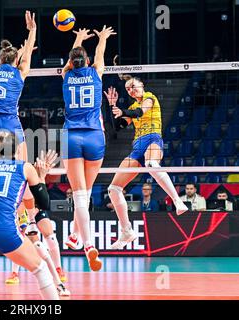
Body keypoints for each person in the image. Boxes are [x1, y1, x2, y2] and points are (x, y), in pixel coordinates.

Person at [0, 132, 60, 300]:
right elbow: (44, 203)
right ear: (18, 148)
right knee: (40, 268)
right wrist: (41, 176)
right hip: (3, 228)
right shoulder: (25, 167)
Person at [104, 76, 188, 250]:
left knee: (151, 165)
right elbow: (117, 127)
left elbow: (140, 112)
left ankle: (177, 201)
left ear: (141, 85)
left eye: (133, 86)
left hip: (152, 140)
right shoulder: (131, 107)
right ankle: (127, 231)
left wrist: (124, 111)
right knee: (113, 189)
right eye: (127, 89)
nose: (131, 90)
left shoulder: (150, 97)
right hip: (137, 147)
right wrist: (112, 106)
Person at [60, 26, 116, 271]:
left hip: (72, 136)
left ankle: (88, 244)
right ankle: (75, 237)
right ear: (88, 61)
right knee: (86, 192)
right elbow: (100, 55)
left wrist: (77, 38)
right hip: (95, 136)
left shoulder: (67, 76)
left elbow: (70, 63)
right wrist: (101, 38)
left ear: (71, 63)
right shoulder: (96, 74)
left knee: (80, 195)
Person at [0, 11, 38, 231]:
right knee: (21, 168)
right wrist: (32, 31)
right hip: (10, 121)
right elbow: (22, 61)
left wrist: (21, 51)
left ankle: (13, 219)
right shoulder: (20, 71)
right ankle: (30, 219)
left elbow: (11, 59)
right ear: (17, 61)